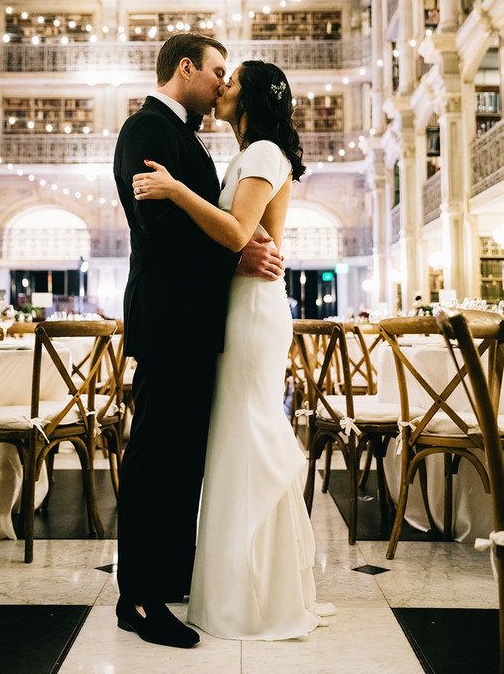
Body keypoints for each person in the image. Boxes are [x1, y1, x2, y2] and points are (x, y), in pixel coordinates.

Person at [134, 60, 335, 640]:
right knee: (235, 437)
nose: (221, 86)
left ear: (251, 97)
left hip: (251, 312)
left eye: (231, 80)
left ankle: (251, 597)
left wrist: (173, 189)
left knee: (246, 435)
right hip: (241, 305)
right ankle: (245, 585)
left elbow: (235, 232)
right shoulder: (249, 154)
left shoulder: (264, 152)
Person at [113, 34, 285, 649]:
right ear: (184, 68)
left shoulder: (181, 134)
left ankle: (165, 576)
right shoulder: (147, 129)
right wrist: (234, 262)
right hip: (169, 320)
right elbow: (159, 230)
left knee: (181, 457)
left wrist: (232, 257)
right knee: (157, 457)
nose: (221, 83)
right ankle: (137, 597)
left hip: (191, 322)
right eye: (215, 71)